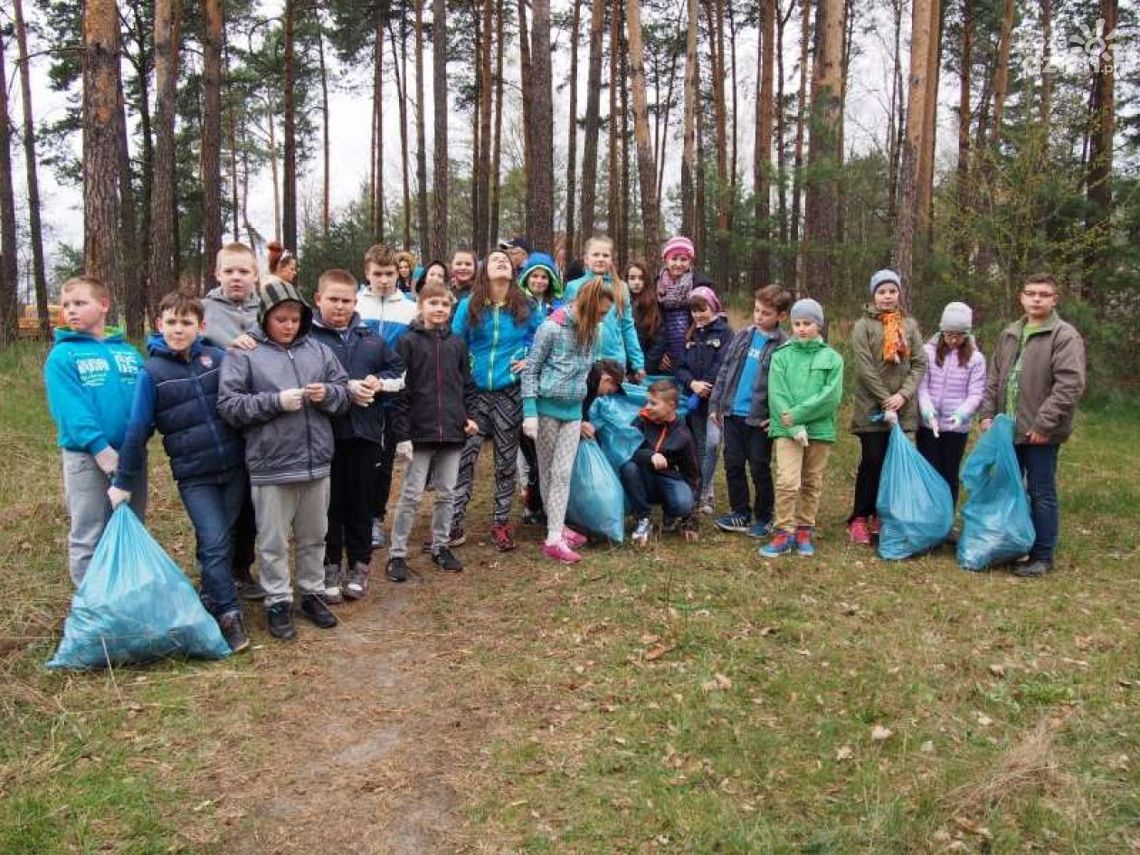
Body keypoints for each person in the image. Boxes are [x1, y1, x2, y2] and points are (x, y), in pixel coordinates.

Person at [108, 291, 250, 652]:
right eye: (171, 322)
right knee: (215, 540)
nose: (178, 329)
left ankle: (210, 594)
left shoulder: (218, 359)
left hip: (233, 468)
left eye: (186, 323)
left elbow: (242, 400)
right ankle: (229, 614)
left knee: (222, 539)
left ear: (201, 326)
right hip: (194, 475)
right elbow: (138, 428)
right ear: (159, 325)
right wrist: (123, 481)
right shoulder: (152, 373)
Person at [217, 280, 350, 641]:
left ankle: (311, 593)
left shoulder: (319, 351)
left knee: (314, 535)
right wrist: (275, 402)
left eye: (295, 319)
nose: (289, 325)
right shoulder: (244, 353)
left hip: (316, 461)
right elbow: (229, 406)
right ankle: (278, 600)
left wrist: (328, 395)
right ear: (265, 317)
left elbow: (343, 393)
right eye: (281, 319)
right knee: (273, 540)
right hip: (270, 465)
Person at [977, 273, 1085, 578]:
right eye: (1031, 293)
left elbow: (1070, 385)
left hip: (1039, 433)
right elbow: (994, 377)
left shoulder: (1064, 336)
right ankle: (1012, 543)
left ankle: (1042, 555)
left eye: (1043, 294)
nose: (1036, 299)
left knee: (1040, 491)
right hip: (1006, 429)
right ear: (1021, 297)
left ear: (1054, 299)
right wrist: (986, 414)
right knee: (1008, 489)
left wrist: (1044, 424)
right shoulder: (1010, 333)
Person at [310, 269, 405, 603]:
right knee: (329, 506)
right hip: (323, 436)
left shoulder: (371, 339)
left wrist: (378, 383)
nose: (340, 306)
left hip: (365, 435)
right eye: (333, 300)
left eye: (346, 300)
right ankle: (330, 564)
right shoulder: (308, 340)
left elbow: (399, 375)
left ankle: (360, 564)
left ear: (356, 301)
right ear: (318, 299)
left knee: (360, 504)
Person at [44, 276, 146, 586]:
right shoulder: (63, 356)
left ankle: (125, 593)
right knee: (89, 529)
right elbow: (70, 410)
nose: (70, 311)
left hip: (131, 456)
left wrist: (136, 444)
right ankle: (92, 608)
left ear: (104, 305)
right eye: (66, 306)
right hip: (87, 458)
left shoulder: (129, 354)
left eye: (79, 303)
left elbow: (145, 402)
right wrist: (99, 448)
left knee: (131, 523)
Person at [384, 281, 480, 582]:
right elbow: (400, 393)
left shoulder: (457, 344)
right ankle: (397, 554)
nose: (439, 309)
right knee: (411, 494)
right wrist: (402, 434)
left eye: (445, 305)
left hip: (452, 431)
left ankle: (440, 546)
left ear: (451, 310)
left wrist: (471, 416)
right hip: (419, 432)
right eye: (433, 303)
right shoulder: (407, 343)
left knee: (447, 492)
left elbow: (467, 385)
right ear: (421, 306)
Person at [448, 249, 540, 551]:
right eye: (494, 260)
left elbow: (540, 340)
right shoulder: (468, 306)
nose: (501, 262)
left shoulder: (526, 306)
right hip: (474, 395)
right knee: (465, 459)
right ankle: (453, 523)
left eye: (506, 260)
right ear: (483, 271)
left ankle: (500, 524)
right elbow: (454, 343)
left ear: (513, 272)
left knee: (505, 461)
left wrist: (527, 357)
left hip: (509, 392)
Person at [522, 277, 616, 563]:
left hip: (573, 411)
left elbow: (586, 374)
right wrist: (529, 412)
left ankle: (555, 533)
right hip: (546, 410)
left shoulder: (593, 333)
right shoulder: (550, 329)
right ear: (587, 306)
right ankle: (554, 532)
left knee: (563, 474)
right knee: (548, 472)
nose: (602, 319)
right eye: (600, 313)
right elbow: (531, 370)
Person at [758, 299, 844, 558]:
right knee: (787, 481)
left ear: (818, 325)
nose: (802, 328)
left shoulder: (832, 358)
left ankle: (804, 528)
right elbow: (777, 393)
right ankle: (784, 530)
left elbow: (830, 397)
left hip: (820, 429)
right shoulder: (781, 355)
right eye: (797, 323)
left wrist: (798, 415)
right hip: (787, 430)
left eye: (808, 323)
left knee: (811, 481)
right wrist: (793, 423)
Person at [201, 242, 263, 599]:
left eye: (243, 271)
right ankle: (214, 570)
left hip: (259, 418)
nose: (236, 278)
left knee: (252, 499)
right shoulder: (206, 311)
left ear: (255, 275)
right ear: (217, 274)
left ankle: (242, 566)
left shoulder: (267, 308)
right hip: (218, 418)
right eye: (229, 271)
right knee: (222, 499)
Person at [847, 269, 927, 545]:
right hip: (872, 408)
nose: (887, 296)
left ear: (899, 294)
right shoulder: (863, 326)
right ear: (874, 295)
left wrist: (902, 396)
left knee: (895, 465)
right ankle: (859, 517)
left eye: (892, 291)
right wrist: (885, 398)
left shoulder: (910, 326)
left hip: (903, 409)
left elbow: (919, 363)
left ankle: (885, 516)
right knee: (872, 462)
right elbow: (864, 368)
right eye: (882, 292)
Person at [709, 284, 791, 537]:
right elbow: (724, 371)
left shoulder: (784, 346)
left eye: (765, 313)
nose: (759, 316)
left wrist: (775, 417)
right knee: (733, 464)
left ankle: (764, 516)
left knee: (759, 466)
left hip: (760, 419)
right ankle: (740, 512)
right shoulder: (743, 336)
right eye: (756, 310)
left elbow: (786, 386)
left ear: (781, 316)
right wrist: (716, 404)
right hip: (733, 412)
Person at [357, 244, 417, 549]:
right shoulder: (354, 305)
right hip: (359, 397)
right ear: (367, 273)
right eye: (377, 274)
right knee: (357, 461)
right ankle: (351, 516)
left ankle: (374, 518)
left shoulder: (409, 308)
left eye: (389, 273)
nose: (383, 280)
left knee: (384, 461)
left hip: (393, 398)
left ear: (398, 273)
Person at [916, 302, 986, 512]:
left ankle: (945, 519)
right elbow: (922, 387)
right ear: (941, 331)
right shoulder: (927, 353)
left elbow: (976, 393)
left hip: (956, 428)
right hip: (929, 425)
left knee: (949, 473)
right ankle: (926, 517)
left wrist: (961, 414)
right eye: (948, 335)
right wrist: (927, 411)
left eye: (959, 335)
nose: (953, 340)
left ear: (967, 334)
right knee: (929, 471)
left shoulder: (976, 359)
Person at [621, 380, 701, 547]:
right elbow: (626, 449)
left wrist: (690, 519)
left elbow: (694, 475)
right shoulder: (641, 421)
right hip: (642, 479)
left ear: (671, 405)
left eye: (653, 403)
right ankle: (643, 518)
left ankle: (671, 513)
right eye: (647, 402)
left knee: (683, 504)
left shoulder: (683, 433)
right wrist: (650, 456)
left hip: (669, 480)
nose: (648, 406)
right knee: (628, 467)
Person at [517, 252, 566, 525]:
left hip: (549, 375)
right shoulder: (518, 304)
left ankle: (544, 502)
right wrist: (526, 357)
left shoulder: (557, 305)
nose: (539, 281)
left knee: (544, 446)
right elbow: (518, 334)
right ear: (526, 277)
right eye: (534, 275)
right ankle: (530, 497)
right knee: (526, 443)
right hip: (524, 375)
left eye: (544, 276)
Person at [675, 286, 732, 514]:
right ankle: (700, 492)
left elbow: (723, 363)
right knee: (698, 446)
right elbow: (681, 367)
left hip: (715, 400)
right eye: (694, 310)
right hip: (694, 401)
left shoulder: (725, 332)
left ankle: (706, 488)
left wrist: (705, 385)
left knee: (713, 442)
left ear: (714, 306)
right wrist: (691, 384)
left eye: (702, 309)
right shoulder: (689, 335)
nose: (698, 314)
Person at [563, 235, 645, 377]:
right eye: (596, 255)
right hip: (582, 361)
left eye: (605, 255)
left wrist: (638, 363)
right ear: (586, 259)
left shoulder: (621, 287)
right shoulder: (573, 287)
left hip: (614, 361)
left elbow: (627, 327)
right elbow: (566, 326)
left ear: (612, 260)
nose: (601, 259)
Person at [654, 236, 717, 368]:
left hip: (694, 347)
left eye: (683, 259)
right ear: (666, 259)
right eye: (674, 258)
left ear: (690, 261)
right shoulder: (655, 285)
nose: (678, 263)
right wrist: (657, 354)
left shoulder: (701, 284)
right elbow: (651, 322)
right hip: (664, 349)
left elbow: (713, 318)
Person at [627, 259, 669, 377]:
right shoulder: (619, 304)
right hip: (622, 367)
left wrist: (645, 367)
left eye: (641, 278)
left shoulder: (653, 305)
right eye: (632, 278)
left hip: (647, 368)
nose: (636, 282)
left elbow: (660, 339)